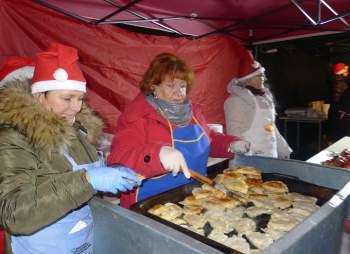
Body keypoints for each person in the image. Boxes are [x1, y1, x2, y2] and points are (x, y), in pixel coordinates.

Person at [0, 43, 140, 254]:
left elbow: (82, 174)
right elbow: (14, 214)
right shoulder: (15, 137)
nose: (76, 107)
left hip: (80, 241)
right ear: (40, 96)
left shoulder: (77, 130)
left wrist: (115, 171)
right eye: (67, 98)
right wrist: (87, 180)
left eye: (79, 98)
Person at [107, 52, 250, 208]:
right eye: (170, 85)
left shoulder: (193, 112)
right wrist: (158, 155)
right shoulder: (138, 115)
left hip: (194, 196)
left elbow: (207, 141)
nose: (178, 92)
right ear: (154, 87)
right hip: (151, 203)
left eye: (182, 85)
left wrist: (230, 145)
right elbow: (118, 161)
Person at [224, 49, 292, 159]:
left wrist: (283, 150)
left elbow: (271, 127)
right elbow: (234, 135)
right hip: (249, 161)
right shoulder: (236, 102)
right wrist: (249, 155)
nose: (264, 79)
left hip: (271, 157)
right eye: (260, 75)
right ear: (248, 79)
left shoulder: (264, 99)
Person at [327, 62, 350, 143]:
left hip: (338, 114)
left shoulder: (335, 81)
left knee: (336, 139)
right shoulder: (341, 82)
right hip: (341, 116)